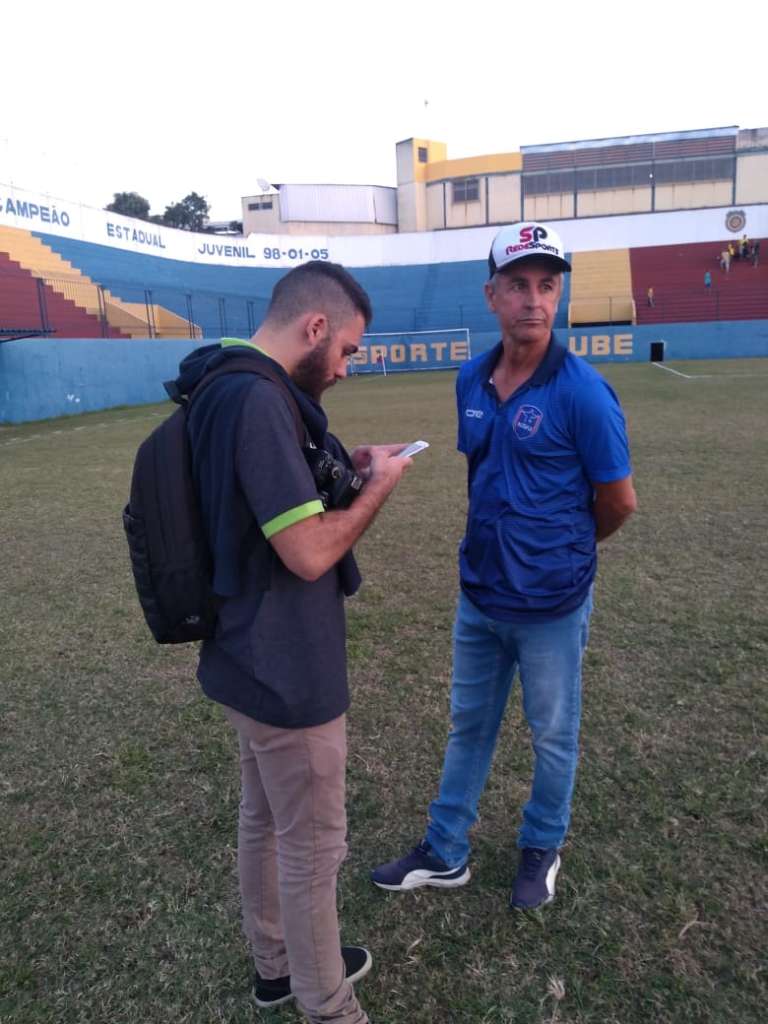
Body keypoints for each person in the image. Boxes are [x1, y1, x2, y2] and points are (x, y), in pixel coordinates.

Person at [172, 261, 413, 1024]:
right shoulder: (258, 403)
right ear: (314, 328)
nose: (345, 367)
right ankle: (327, 1005)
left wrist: (349, 465)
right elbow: (308, 551)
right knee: (312, 849)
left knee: (266, 824)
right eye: (344, 350)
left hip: (243, 657)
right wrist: (378, 489)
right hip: (285, 670)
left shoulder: (221, 382)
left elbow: (270, 502)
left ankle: (278, 965)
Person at [371, 222, 636, 911]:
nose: (534, 300)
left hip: (552, 606)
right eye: (518, 285)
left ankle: (541, 845)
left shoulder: (583, 392)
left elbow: (618, 502)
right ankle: (446, 850)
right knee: (469, 727)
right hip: (480, 598)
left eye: (548, 285)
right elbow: (481, 475)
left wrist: (565, 556)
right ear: (492, 295)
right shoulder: (470, 378)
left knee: (553, 735)